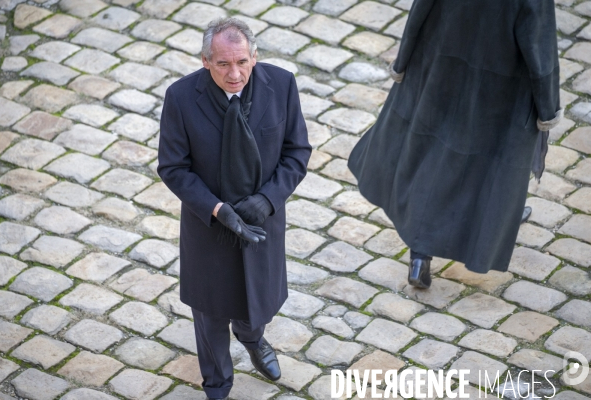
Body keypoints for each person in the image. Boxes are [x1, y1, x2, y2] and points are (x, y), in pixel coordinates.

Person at [348, 0, 561, 289]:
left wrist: (404, 61)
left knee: (433, 153)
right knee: (489, 162)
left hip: (441, 66)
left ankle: (420, 257)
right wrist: (548, 108)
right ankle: (494, 221)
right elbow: (539, 45)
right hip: (500, 86)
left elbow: (420, 10)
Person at [157, 17, 311, 400]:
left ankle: (252, 337)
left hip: (263, 223)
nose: (235, 73)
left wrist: (269, 199)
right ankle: (217, 386)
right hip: (208, 226)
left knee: (258, 297)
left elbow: (297, 152)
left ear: (254, 56)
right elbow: (173, 167)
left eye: (242, 61)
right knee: (210, 314)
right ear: (206, 60)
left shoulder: (282, 85)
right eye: (223, 64)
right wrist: (216, 209)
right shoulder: (180, 97)